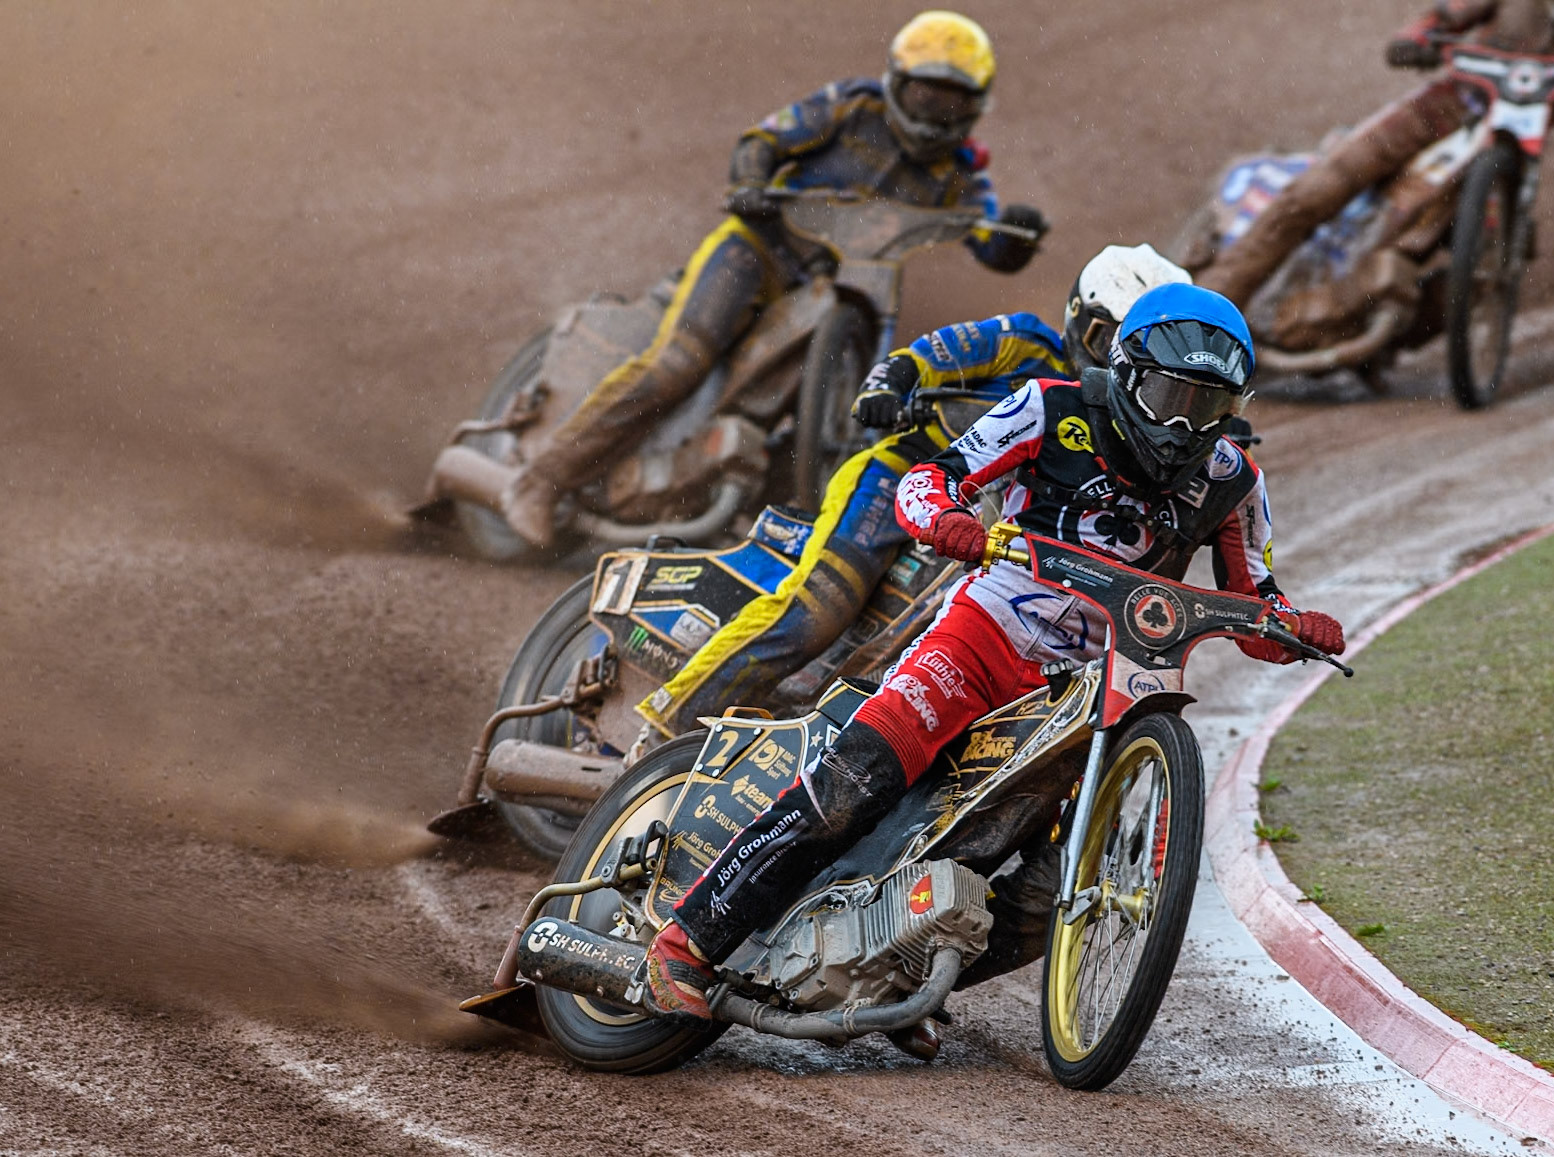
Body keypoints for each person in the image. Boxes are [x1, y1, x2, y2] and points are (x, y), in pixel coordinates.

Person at [638, 283, 1346, 1024]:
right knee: (856, 780)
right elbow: (928, 478)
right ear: (1127, 373)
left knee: (1045, 889)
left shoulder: (1233, 480)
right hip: (980, 640)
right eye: (1168, 394)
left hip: (1085, 691)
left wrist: (1297, 630)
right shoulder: (1050, 406)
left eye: (1203, 405)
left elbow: (1254, 604)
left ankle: (900, 982)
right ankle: (688, 940)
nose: (1179, 422)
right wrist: (946, 519)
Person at [500, 10, 1047, 548]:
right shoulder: (853, 106)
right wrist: (751, 182)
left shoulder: (961, 172)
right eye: (926, 96)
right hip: (759, 252)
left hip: (840, 291)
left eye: (951, 102)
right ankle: (540, 482)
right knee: (679, 364)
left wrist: (1017, 235)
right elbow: (763, 139)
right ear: (897, 83)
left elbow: (989, 240)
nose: (935, 115)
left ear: (975, 107)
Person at [638, 243, 1194, 740]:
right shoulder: (1025, 344)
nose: (1111, 364)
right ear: (1080, 318)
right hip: (900, 477)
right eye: (1105, 340)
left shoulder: (1131, 431)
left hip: (999, 534)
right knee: (818, 611)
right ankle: (667, 723)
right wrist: (890, 383)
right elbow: (928, 354)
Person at [1193, 0, 1554, 308]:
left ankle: (1392, 320)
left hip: (1500, 158)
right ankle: (1208, 309)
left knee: (1470, 254)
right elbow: (1441, 18)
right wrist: (1417, 38)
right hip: (1437, 110)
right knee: (1316, 191)